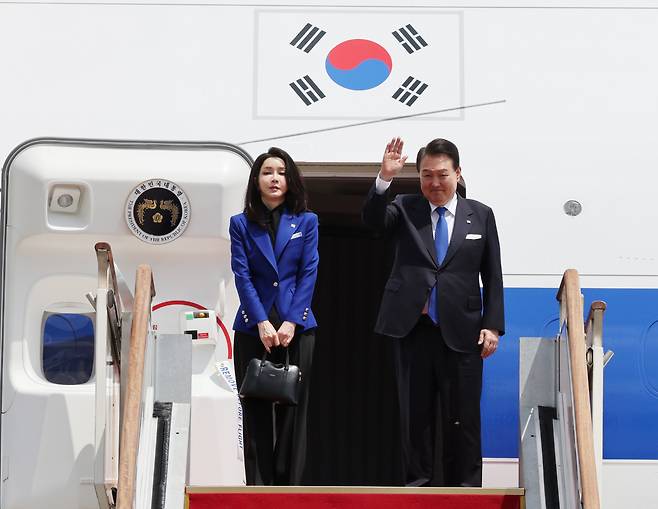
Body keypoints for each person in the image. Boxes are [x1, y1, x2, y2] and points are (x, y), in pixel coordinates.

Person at [362, 137, 504, 487]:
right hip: (414, 330)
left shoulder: (480, 215)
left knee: (464, 418)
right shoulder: (405, 206)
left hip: (464, 331)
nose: (435, 183)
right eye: (427, 175)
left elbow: (493, 275)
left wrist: (493, 326)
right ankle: (418, 490)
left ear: (457, 173)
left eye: (442, 174)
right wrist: (384, 177)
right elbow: (373, 221)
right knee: (416, 418)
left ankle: (467, 490)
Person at [230, 147, 319, 485]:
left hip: (298, 328)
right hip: (254, 329)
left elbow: (308, 271)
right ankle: (259, 489)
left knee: (294, 412)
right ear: (257, 180)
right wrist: (262, 322)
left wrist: (291, 321)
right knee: (255, 412)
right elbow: (242, 275)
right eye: (267, 171)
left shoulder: (307, 221)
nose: (275, 178)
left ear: (290, 179)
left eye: (281, 172)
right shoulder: (240, 224)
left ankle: (289, 489)